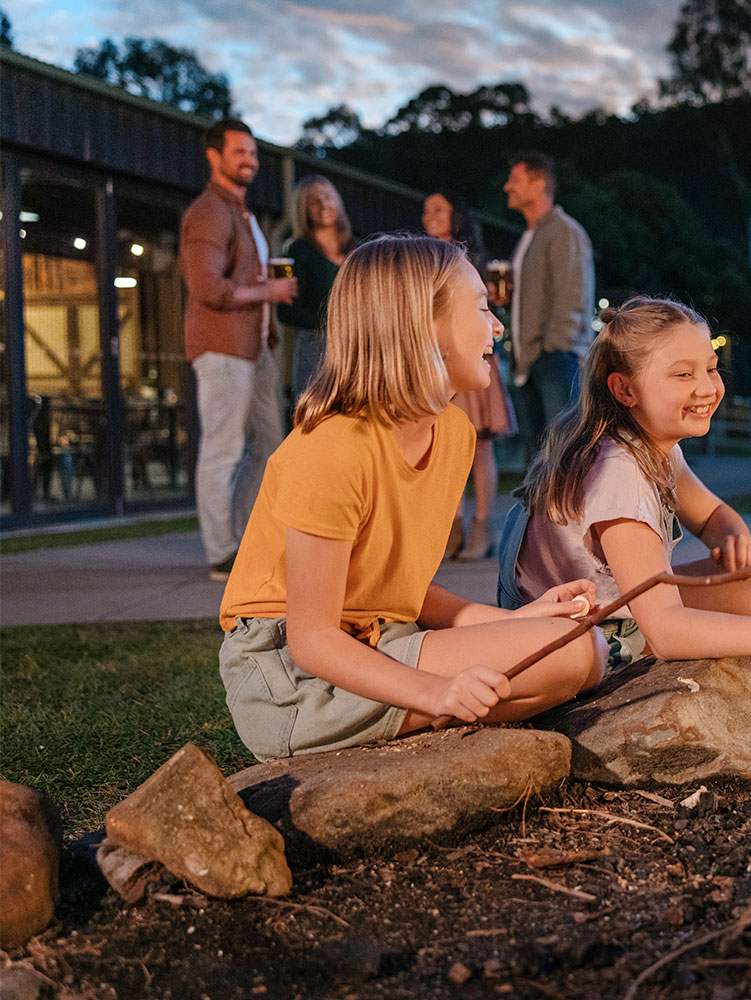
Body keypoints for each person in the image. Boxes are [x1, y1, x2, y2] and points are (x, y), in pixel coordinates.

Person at [217, 236, 604, 762]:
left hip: (381, 636)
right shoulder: (330, 451)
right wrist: (435, 691)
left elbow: (396, 587)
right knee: (574, 656)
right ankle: (389, 716)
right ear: (422, 326)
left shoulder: (454, 434)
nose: (496, 326)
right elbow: (312, 638)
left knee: (576, 646)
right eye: (482, 307)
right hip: (290, 670)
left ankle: (402, 717)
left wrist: (517, 620)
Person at [497, 297, 751, 667]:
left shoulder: (647, 443)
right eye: (684, 374)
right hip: (570, 634)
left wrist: (734, 541)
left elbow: (711, 514)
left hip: (608, 608)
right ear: (624, 390)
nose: (707, 388)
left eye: (710, 369)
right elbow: (664, 630)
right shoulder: (618, 473)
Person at [180, 118, 296, 581]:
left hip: (257, 347)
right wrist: (269, 292)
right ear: (214, 156)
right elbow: (207, 287)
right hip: (223, 347)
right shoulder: (209, 212)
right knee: (223, 448)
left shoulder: (242, 212)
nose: (250, 160)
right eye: (239, 153)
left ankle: (250, 537)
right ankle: (220, 552)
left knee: (271, 446)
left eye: (253, 153)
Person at [423, 191, 517, 560]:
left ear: (456, 216)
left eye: (438, 209)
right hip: (438, 358)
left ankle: (481, 526)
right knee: (443, 441)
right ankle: (452, 525)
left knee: (478, 444)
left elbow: (490, 316)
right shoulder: (422, 261)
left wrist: (496, 300)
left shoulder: (472, 261)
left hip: (474, 355)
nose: (429, 215)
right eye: (426, 210)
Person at [495, 151, 593, 457]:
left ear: (539, 186)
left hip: (555, 360)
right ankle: (538, 509)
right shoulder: (531, 235)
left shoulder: (564, 231)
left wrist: (554, 349)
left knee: (563, 457)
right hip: (528, 362)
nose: (507, 187)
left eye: (515, 180)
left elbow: (571, 296)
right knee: (537, 463)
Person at [278, 175, 352, 398]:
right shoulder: (296, 250)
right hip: (316, 350)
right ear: (303, 210)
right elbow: (285, 311)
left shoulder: (357, 248)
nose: (323, 204)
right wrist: (332, 321)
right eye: (314, 201)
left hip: (355, 349)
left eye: (328, 197)